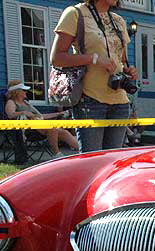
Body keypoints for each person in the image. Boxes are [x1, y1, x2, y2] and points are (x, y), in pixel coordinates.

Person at [51, 0, 137, 153]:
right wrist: (94, 59)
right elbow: (57, 58)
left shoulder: (119, 21)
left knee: (113, 162)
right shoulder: (75, 13)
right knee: (92, 161)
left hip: (120, 101)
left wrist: (128, 70)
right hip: (90, 99)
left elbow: (120, 60)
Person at [4, 81, 78, 157]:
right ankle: (57, 154)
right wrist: (24, 112)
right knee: (53, 128)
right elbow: (10, 115)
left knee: (63, 132)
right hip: (28, 130)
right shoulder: (11, 102)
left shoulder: (26, 102)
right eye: (24, 90)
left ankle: (82, 150)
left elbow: (40, 116)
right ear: (17, 92)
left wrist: (58, 113)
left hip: (39, 125)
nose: (26, 92)